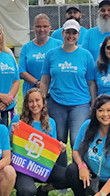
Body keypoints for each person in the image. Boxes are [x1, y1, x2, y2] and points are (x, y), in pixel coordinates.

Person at [39, 19, 97, 165]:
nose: (71, 36)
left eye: (74, 33)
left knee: (78, 139)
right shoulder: (51, 54)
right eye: (68, 32)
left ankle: (80, 172)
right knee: (58, 140)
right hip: (56, 102)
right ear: (62, 33)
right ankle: (62, 178)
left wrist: (94, 103)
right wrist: (42, 101)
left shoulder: (86, 55)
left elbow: (91, 82)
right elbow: (45, 81)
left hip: (80, 104)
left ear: (79, 35)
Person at [11, 88, 70, 196]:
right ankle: (22, 193)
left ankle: (43, 190)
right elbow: (9, 145)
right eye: (30, 101)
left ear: (43, 102)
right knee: (27, 191)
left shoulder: (51, 122)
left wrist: (60, 147)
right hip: (24, 167)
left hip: (42, 167)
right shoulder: (18, 120)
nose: (34, 104)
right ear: (26, 104)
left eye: (37, 100)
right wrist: (12, 132)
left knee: (69, 177)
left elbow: (52, 148)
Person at [20, 14, 63, 94]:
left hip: (53, 92)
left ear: (50, 28)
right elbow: (22, 71)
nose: (42, 29)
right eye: (38, 26)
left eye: (45, 26)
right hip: (31, 93)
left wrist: (47, 83)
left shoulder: (58, 44)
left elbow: (62, 67)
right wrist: (37, 83)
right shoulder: (26, 47)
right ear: (33, 28)